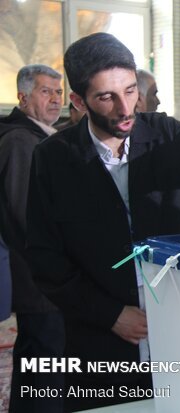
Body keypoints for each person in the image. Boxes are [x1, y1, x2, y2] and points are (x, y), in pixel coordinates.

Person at [26, 32, 180, 411]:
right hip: (100, 337)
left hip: (179, 322)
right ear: (78, 101)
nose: (125, 108)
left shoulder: (164, 133)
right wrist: (111, 315)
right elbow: (46, 259)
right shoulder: (53, 159)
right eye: (106, 97)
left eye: (129, 91)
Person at [0, 64, 65, 413]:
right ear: (23, 97)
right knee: (45, 363)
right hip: (39, 277)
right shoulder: (22, 142)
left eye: (58, 92)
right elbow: (28, 216)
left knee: (37, 363)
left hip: (40, 277)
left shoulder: (39, 137)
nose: (55, 99)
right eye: (45, 92)